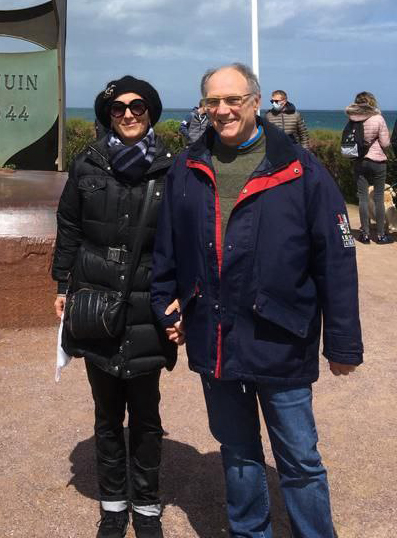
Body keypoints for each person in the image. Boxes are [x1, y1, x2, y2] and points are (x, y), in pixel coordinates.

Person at [150, 63, 363, 538]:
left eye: (234, 100)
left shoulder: (302, 168)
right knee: (238, 452)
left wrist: (343, 345)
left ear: (256, 102)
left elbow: (336, 258)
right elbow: (167, 246)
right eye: (213, 101)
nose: (223, 110)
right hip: (214, 335)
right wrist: (165, 303)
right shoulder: (187, 167)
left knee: (300, 459)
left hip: (280, 336)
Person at [52, 75, 177, 538]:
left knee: (146, 417)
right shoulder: (87, 164)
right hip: (96, 296)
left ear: (150, 112)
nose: (127, 114)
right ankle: (113, 506)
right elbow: (69, 224)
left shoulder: (171, 168)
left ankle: (146, 507)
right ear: (108, 115)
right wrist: (61, 283)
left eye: (137, 106)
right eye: (118, 108)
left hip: (147, 301)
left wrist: (183, 297)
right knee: (107, 416)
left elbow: (183, 238)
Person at [345, 91, 394, 244]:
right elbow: (385, 143)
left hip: (359, 161)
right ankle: (380, 235)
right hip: (377, 161)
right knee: (379, 198)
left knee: (363, 198)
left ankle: (365, 234)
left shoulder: (352, 119)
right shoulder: (378, 118)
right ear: (372, 102)